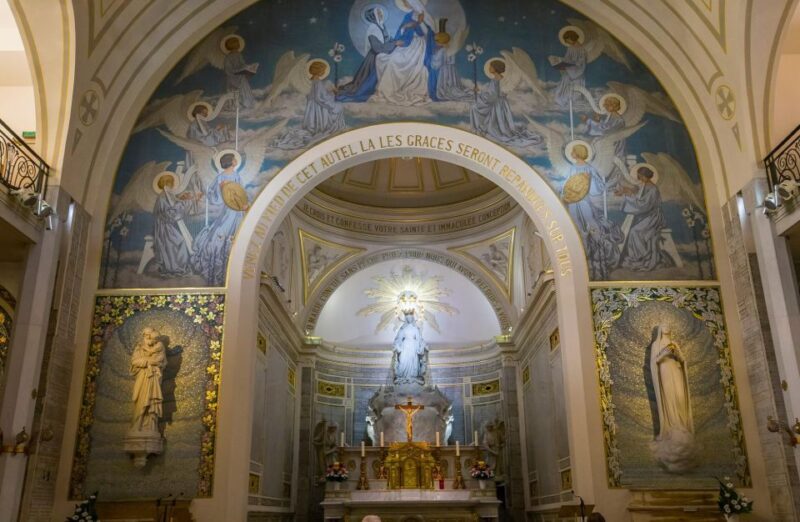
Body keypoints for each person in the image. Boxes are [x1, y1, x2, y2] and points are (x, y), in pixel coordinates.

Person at [564, 143, 622, 279]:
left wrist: (594, 181)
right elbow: (568, 186)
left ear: (577, 152)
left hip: (584, 202)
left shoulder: (589, 169)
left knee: (592, 227)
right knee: (577, 229)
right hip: (573, 203)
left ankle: (597, 258)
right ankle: (581, 256)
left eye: (573, 151)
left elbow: (597, 188)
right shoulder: (572, 168)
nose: (572, 153)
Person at [191, 152, 248, 286]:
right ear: (231, 162)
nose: (235, 161)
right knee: (221, 233)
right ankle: (218, 262)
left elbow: (241, 193)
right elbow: (213, 194)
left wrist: (243, 203)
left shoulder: (237, 176)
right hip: (228, 210)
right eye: (234, 159)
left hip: (238, 209)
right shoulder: (220, 177)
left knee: (237, 232)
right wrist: (222, 188)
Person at [648, 326, 696, 472]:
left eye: (669, 326)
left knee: (680, 398)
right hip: (665, 371)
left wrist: (677, 355)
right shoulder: (657, 344)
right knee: (669, 399)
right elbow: (654, 361)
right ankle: (671, 427)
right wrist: (664, 354)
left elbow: (683, 360)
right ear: (660, 330)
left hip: (676, 370)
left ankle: (682, 426)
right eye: (665, 325)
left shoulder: (674, 343)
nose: (667, 327)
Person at [373, 0, 436, 105]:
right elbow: (402, 30)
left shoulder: (425, 17)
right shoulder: (408, 15)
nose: (406, 4)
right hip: (406, 44)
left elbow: (427, 34)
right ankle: (387, 91)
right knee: (389, 59)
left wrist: (417, 24)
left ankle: (391, 91)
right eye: (405, 2)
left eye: (407, 2)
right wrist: (404, 31)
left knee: (394, 61)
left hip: (418, 47)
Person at [275, 60, 345, 149]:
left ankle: (319, 128)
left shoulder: (312, 81)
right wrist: (333, 94)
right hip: (319, 107)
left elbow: (319, 95)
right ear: (319, 71)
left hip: (314, 106)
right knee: (339, 106)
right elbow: (320, 98)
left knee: (337, 105)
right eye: (323, 69)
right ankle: (328, 128)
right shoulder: (318, 82)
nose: (323, 72)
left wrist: (331, 93)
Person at [471, 59, 541, 148]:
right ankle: (488, 128)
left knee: (474, 107)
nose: (489, 68)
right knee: (499, 122)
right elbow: (494, 93)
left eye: (491, 66)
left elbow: (493, 96)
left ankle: (481, 128)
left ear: (495, 68)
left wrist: (479, 93)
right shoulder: (501, 79)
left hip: (496, 105)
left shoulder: (495, 80)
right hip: (501, 104)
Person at [337, 6, 401, 102]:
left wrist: (395, 42)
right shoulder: (373, 29)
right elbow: (377, 47)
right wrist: (394, 44)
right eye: (378, 13)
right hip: (374, 57)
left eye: (381, 13)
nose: (381, 15)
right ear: (373, 16)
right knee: (365, 84)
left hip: (383, 55)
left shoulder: (382, 26)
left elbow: (387, 39)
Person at [617, 166, 673, 271]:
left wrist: (627, 196)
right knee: (634, 231)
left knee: (634, 231)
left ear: (643, 176)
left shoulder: (653, 189)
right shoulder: (645, 186)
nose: (638, 177)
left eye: (639, 175)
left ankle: (642, 258)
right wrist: (629, 192)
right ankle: (638, 257)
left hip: (653, 216)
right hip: (646, 215)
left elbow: (643, 205)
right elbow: (639, 198)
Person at [152, 173, 193, 276]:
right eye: (172, 183)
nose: (173, 186)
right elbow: (170, 214)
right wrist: (184, 203)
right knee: (180, 242)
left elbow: (173, 205)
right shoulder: (162, 198)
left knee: (179, 241)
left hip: (167, 226)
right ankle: (175, 268)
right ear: (167, 184)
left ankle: (178, 267)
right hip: (163, 228)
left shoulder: (167, 195)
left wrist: (182, 199)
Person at [130, 327, 167, 434]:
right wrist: (147, 362)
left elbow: (162, 362)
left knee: (152, 401)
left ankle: (152, 427)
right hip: (142, 377)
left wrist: (154, 362)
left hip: (154, 377)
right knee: (141, 401)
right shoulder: (140, 348)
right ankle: (137, 426)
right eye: (146, 336)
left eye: (149, 336)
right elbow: (135, 361)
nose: (148, 338)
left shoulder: (160, 347)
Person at [430, 20, 472, 101]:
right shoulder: (450, 48)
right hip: (452, 70)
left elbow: (436, 63)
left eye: (437, 41)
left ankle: (446, 92)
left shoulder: (441, 51)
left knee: (445, 87)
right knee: (453, 84)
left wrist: (433, 56)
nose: (435, 43)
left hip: (444, 70)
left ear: (441, 41)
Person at [551, 29, 586, 108]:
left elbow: (581, 62)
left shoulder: (581, 49)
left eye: (568, 40)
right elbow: (566, 58)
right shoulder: (570, 48)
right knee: (564, 81)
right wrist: (559, 60)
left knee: (569, 82)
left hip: (577, 72)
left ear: (572, 38)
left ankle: (566, 100)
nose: (567, 42)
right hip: (569, 70)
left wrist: (571, 63)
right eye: (566, 41)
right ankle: (561, 99)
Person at [222, 35, 258, 109]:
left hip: (239, 76)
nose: (238, 45)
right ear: (232, 45)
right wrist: (240, 70)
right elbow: (228, 70)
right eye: (236, 43)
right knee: (242, 80)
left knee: (243, 79)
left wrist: (249, 68)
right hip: (232, 78)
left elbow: (242, 65)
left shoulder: (239, 55)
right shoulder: (228, 57)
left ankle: (249, 101)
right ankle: (246, 101)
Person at [392, 311, 428, 385]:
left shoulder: (415, 328)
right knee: (402, 361)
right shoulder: (403, 328)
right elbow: (398, 339)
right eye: (407, 317)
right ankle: (403, 376)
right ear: (405, 318)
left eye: (410, 317)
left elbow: (419, 339)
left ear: (413, 318)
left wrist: (421, 346)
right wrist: (397, 346)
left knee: (413, 361)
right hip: (405, 346)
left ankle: (413, 376)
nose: (409, 319)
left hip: (413, 346)